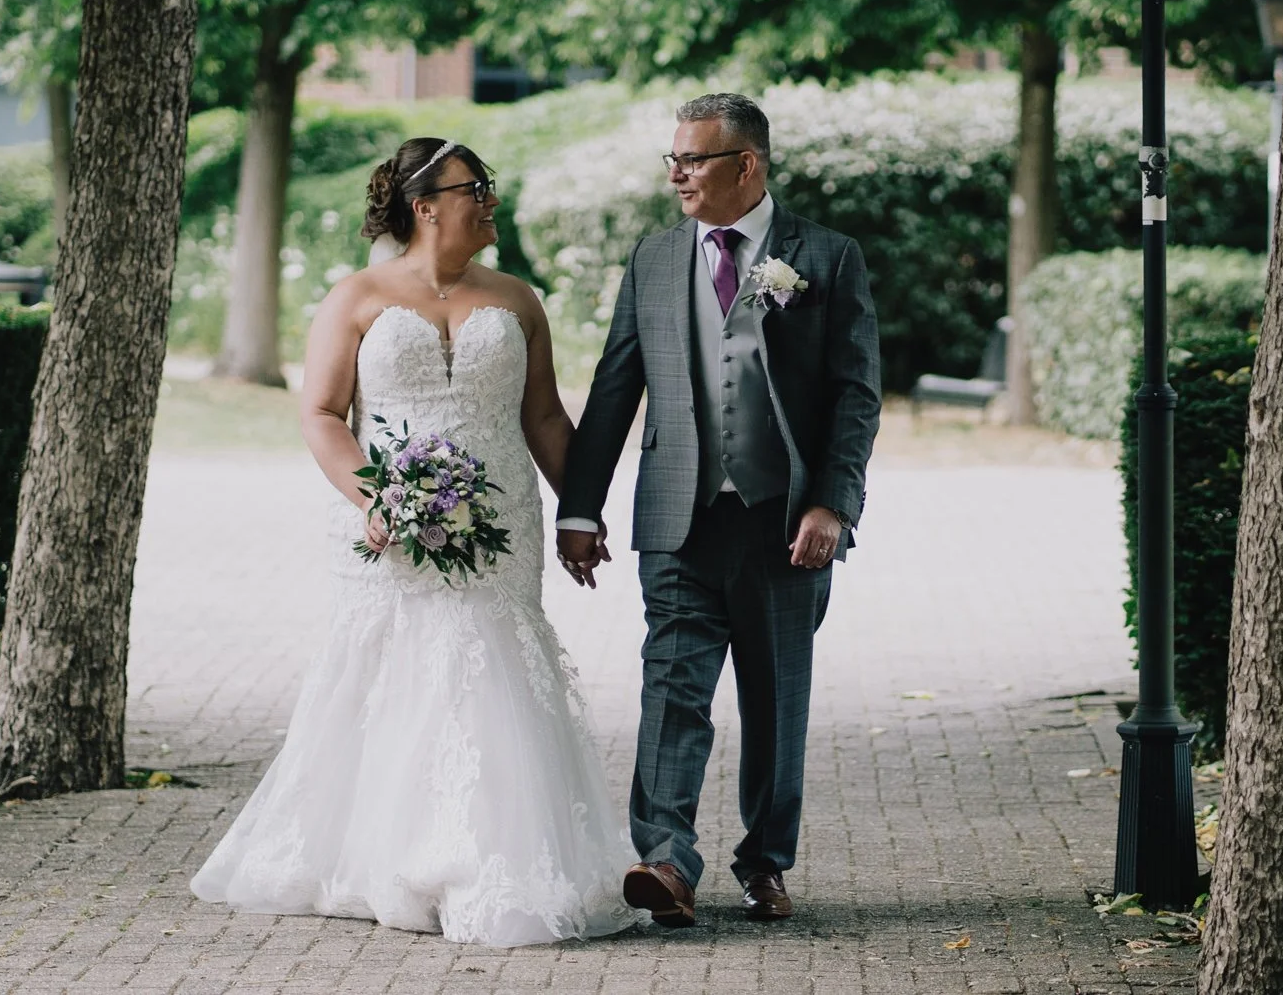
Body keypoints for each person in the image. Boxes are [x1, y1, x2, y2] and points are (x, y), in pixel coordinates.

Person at [189, 138, 638, 946]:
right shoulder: (356, 296)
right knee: (394, 672)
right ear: (425, 205)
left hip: (501, 524)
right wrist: (378, 498)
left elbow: (542, 418)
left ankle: (486, 860)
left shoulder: (517, 298)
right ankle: (386, 857)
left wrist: (583, 510)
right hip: (387, 527)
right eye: (477, 188)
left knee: (492, 671)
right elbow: (323, 414)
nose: (491, 201)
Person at [557, 92, 881, 926]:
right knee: (671, 689)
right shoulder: (655, 258)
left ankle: (765, 863)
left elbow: (854, 396)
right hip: (678, 516)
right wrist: (580, 509)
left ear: (747, 165)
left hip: (783, 520)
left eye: (693, 159)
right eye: (672, 159)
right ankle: (665, 861)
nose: (677, 174)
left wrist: (832, 506)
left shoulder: (828, 256)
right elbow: (614, 387)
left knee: (776, 701)